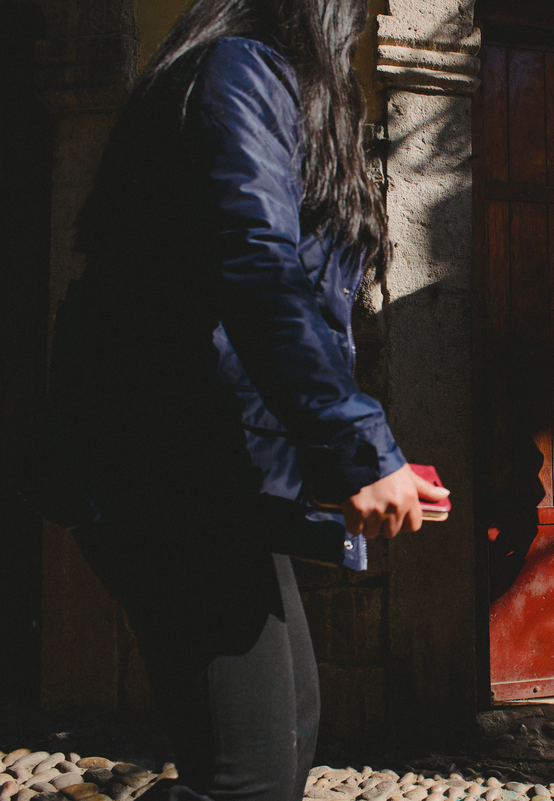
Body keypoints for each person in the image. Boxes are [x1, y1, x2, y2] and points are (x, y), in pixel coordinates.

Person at [36, 0, 448, 799]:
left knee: (288, 729)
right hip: (166, 466)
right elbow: (257, 265)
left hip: (216, 470)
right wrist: (356, 445)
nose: (365, 22)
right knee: (251, 775)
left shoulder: (252, 77)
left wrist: (348, 459)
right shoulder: (243, 70)